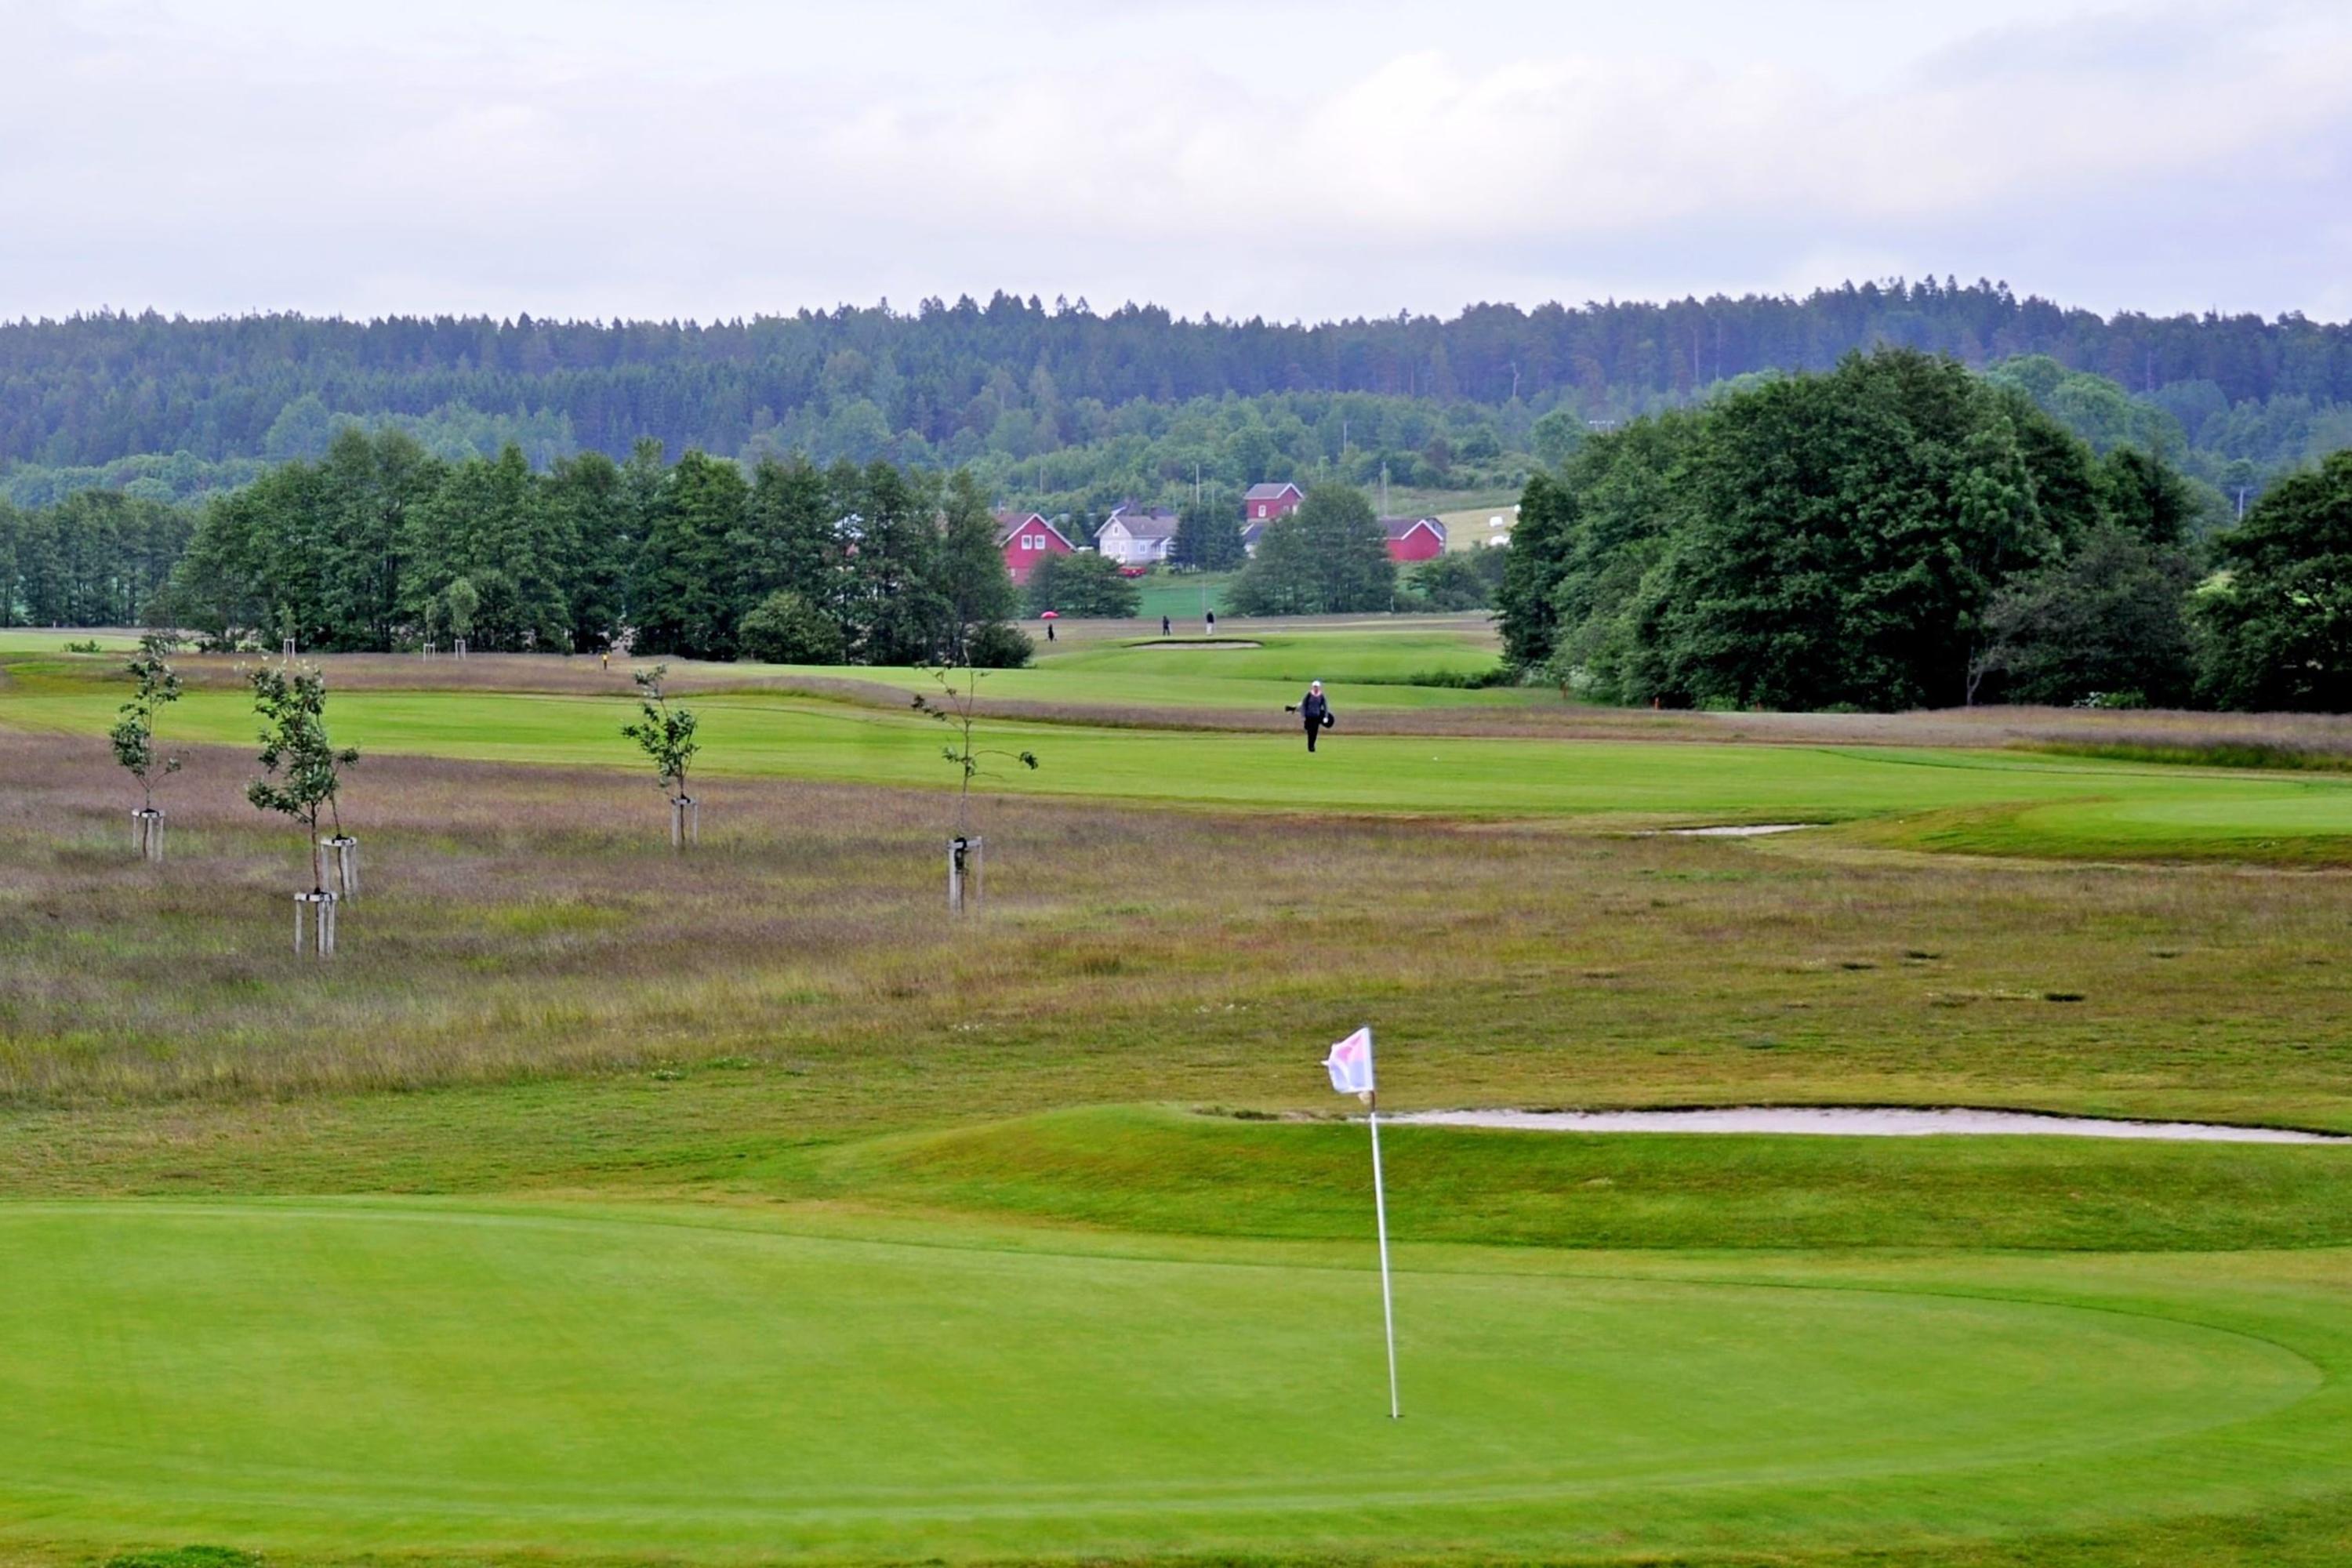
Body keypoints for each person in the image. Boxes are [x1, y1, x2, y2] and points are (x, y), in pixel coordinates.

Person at [1287, 679, 1333, 753]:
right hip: (1309, 716)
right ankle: (1310, 745)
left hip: (1316, 717)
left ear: (1319, 687)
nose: (1316, 688)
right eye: (1315, 687)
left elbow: (1325, 706)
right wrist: (1303, 716)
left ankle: (1312, 747)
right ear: (1313, 687)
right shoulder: (1309, 695)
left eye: (1317, 687)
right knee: (1310, 731)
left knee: (1314, 733)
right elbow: (1303, 705)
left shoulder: (1321, 696)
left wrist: (1326, 716)